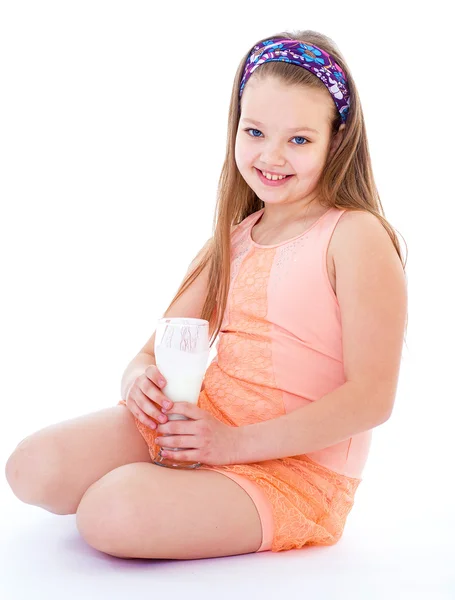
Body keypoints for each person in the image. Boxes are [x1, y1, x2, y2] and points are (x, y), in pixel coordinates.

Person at [6, 30, 408, 558]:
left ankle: (170, 495)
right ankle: (173, 488)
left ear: (338, 139)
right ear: (235, 127)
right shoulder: (236, 235)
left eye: (300, 139)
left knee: (110, 513)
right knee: (32, 469)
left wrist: (234, 444)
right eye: (255, 131)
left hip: (296, 471)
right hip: (202, 429)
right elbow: (152, 351)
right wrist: (136, 382)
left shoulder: (357, 235)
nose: (271, 155)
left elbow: (372, 398)